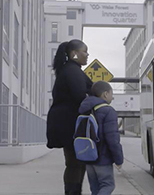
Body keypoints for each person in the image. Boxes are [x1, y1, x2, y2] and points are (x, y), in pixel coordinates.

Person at [46, 39, 93, 195]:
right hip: (69, 124)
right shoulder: (72, 71)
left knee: (78, 163)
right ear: (74, 54)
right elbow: (81, 95)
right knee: (75, 163)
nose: (87, 55)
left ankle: (74, 191)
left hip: (66, 123)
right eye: (84, 51)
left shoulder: (71, 70)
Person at [79, 81, 124, 195]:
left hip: (88, 156)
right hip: (103, 159)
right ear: (105, 94)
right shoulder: (108, 111)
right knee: (108, 185)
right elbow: (113, 139)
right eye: (111, 94)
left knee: (95, 189)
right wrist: (118, 159)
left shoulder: (85, 109)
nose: (112, 97)